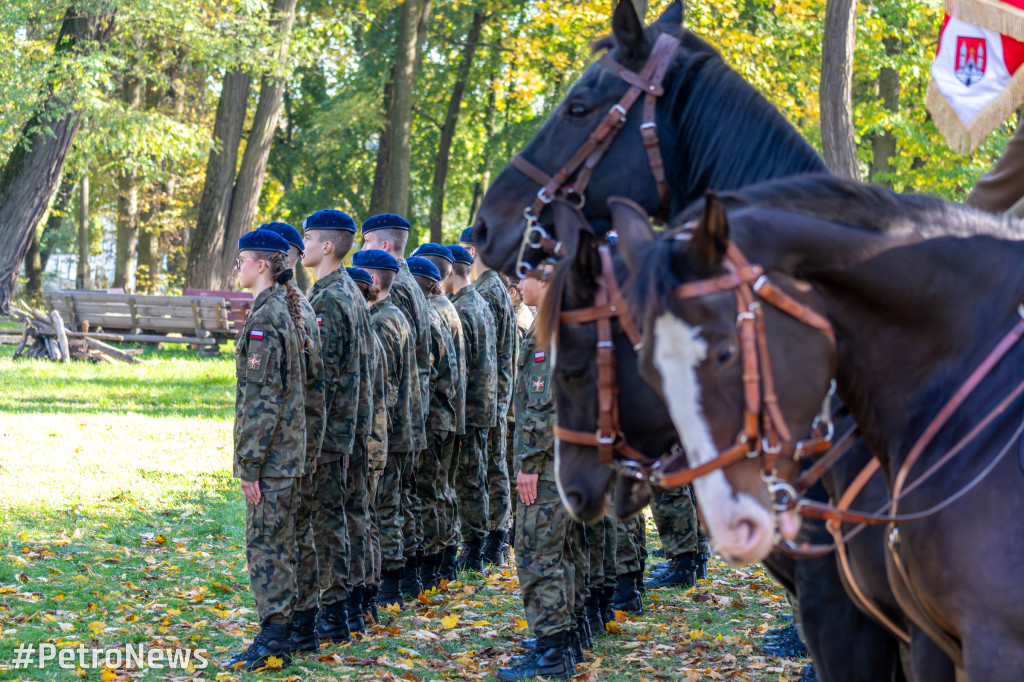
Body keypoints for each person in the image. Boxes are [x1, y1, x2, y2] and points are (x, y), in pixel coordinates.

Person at [224, 229, 310, 671]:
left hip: (274, 458)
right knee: (284, 544)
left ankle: (274, 639)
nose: (237, 268)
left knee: (266, 548)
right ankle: (283, 632)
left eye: (242, 260)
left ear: (261, 265)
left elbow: (262, 401)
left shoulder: (266, 318)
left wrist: (249, 466)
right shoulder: (284, 308)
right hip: (291, 453)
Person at [495, 269, 577, 681]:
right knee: (559, 556)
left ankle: (551, 655)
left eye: (523, 279)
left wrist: (528, 465)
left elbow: (542, 408)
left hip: (544, 466)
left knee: (536, 557)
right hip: (563, 461)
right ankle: (561, 642)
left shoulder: (550, 330)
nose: (518, 287)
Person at [299, 209, 377, 639]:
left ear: (327, 246)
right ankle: (349, 609)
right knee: (348, 517)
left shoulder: (329, 298)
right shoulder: (349, 289)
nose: (304, 246)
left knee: (327, 523)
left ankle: (333, 613)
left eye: (309, 238)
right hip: (354, 427)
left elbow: (322, 379)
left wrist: (312, 444)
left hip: (333, 434)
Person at [361, 214, 429, 595]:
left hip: (397, 414)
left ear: (384, 246)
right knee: (400, 499)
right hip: (409, 410)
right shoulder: (408, 282)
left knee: (389, 502)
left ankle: (395, 580)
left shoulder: (395, 288)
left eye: (368, 244)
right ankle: (406, 575)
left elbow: (391, 365)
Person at [352, 249, 418, 607]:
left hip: (388, 433)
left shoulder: (382, 321)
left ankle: (389, 587)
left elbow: (385, 388)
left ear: (372, 281)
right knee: (389, 507)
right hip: (399, 430)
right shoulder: (393, 314)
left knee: (384, 509)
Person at [460, 227, 517, 565]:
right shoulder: (494, 287)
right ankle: (494, 541)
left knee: (488, 469)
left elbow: (486, 354)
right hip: (497, 396)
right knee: (494, 467)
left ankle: (491, 543)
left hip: (491, 397)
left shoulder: (488, 291)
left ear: (472, 251)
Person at [411, 243, 468, 580]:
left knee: (431, 491)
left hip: (436, 415)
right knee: (441, 490)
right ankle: (445, 557)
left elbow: (433, 374)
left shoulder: (431, 312)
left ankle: (436, 563)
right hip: (448, 413)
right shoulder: (446, 307)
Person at [444, 244, 496, 571]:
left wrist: (458, 417)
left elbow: (463, 368)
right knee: (474, 476)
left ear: (451, 271)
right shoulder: (478, 301)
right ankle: (475, 543)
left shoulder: (463, 307)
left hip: (471, 409)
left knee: (468, 479)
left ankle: (474, 548)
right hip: (484, 405)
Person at [349, 266, 389, 625]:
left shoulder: (368, 332)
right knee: (366, 519)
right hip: (374, 440)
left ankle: (361, 596)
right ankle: (366, 597)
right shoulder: (369, 330)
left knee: (360, 520)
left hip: (367, 442)